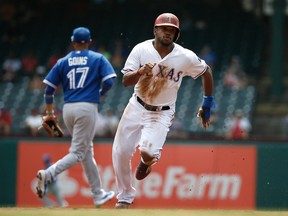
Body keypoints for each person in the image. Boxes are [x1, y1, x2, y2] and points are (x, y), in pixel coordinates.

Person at [112, 13, 215, 208]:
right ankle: (125, 197)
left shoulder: (185, 56)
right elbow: (126, 81)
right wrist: (141, 71)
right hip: (136, 105)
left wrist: (207, 102)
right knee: (120, 152)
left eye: (172, 30)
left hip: (162, 112)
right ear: (155, 30)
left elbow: (206, 71)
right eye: (164, 28)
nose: (168, 32)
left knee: (148, 152)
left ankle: (148, 162)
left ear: (176, 35)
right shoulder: (141, 49)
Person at [36, 27, 116, 207]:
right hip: (87, 107)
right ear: (89, 42)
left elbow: (48, 90)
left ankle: (98, 194)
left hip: (68, 109)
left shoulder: (62, 61)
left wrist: (49, 112)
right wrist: (101, 94)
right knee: (79, 152)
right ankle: (48, 174)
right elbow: (110, 81)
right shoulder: (97, 58)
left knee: (86, 152)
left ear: (73, 42)